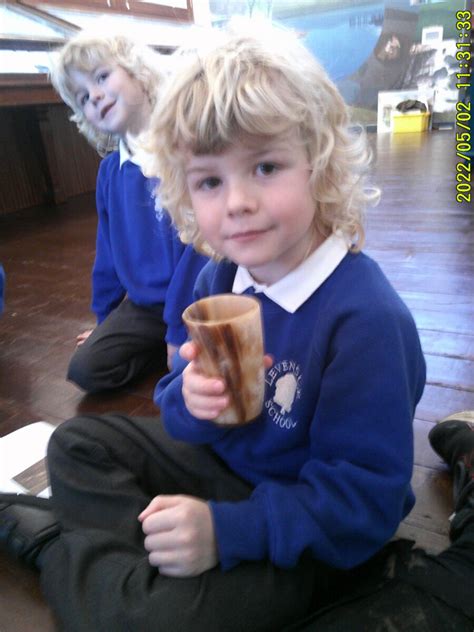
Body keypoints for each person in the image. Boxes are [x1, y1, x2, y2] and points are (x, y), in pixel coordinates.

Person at [1, 23, 472, 631]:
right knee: (74, 443)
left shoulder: (366, 321)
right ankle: (127, 577)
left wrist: (227, 533)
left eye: (266, 166)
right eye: (209, 181)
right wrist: (190, 400)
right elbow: (176, 410)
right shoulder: (219, 280)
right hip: (228, 472)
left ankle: (66, 557)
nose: (237, 202)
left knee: (154, 618)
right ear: (182, 194)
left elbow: (366, 504)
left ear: (319, 163)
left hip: (309, 532)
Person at [49, 30, 208, 392]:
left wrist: (177, 331)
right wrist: (105, 323)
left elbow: (198, 249)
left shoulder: (181, 154)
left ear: (139, 71)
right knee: (86, 370)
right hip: (144, 306)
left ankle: (172, 348)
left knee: (185, 371)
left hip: (194, 298)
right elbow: (108, 254)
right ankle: (161, 348)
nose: (96, 96)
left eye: (102, 77)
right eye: (83, 96)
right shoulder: (109, 173)